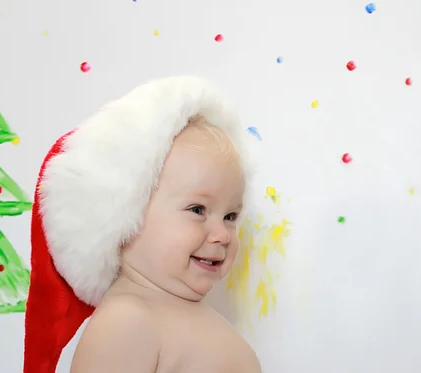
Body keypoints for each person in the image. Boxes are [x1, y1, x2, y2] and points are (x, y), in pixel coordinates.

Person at [23, 76, 261, 373]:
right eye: (198, 209)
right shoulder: (127, 322)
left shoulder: (175, 313)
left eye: (230, 216)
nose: (222, 234)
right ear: (126, 213)